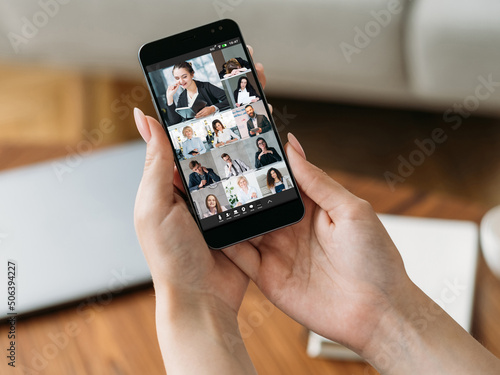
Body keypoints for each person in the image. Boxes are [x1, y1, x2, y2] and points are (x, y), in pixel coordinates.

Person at [133, 49, 500, 374]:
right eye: (175, 78)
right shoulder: (177, 101)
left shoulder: (216, 97)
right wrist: (387, 317)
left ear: (194, 74)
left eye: (184, 75)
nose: (180, 81)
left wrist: (196, 306)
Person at [165, 61, 229, 125]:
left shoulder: (206, 86)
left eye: (184, 77)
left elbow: (229, 98)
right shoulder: (182, 97)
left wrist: (213, 108)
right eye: (177, 78)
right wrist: (169, 97)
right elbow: (175, 121)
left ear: (192, 74)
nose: (181, 81)